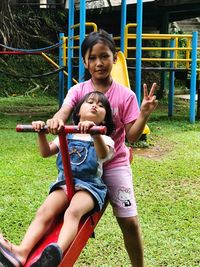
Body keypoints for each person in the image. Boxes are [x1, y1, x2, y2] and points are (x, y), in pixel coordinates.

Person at [46, 29, 158, 267]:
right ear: (85, 62)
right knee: (58, 210)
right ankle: (44, 254)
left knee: (129, 222)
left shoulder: (125, 96)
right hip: (84, 167)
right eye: (93, 58)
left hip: (113, 163)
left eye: (104, 56)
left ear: (114, 57)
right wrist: (57, 119)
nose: (99, 63)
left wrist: (144, 114)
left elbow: (132, 136)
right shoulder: (78, 91)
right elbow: (64, 112)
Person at [0, 91, 115, 267]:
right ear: (78, 112)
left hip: (89, 188)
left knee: (73, 212)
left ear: (105, 119)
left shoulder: (104, 137)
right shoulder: (66, 134)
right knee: (44, 211)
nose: (94, 105)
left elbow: (102, 154)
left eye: (100, 106)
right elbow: (46, 152)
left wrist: (95, 134)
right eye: (90, 102)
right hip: (64, 185)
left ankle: (55, 253)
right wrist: (41, 132)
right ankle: (21, 252)